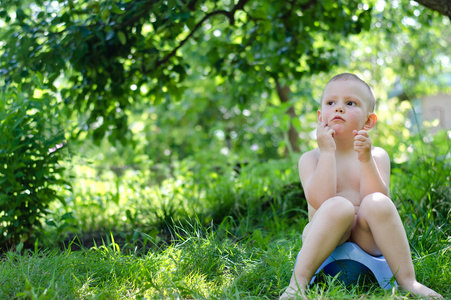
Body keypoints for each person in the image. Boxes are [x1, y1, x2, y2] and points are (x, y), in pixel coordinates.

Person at [279, 73, 443, 299]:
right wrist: (328, 152)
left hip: (366, 236)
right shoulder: (311, 158)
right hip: (327, 237)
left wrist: (365, 160)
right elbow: (320, 200)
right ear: (320, 117)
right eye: (330, 103)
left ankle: (408, 281)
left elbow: (377, 200)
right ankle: (297, 284)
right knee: (339, 206)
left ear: (368, 121)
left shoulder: (377, 155)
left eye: (350, 103)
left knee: (378, 203)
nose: (338, 108)